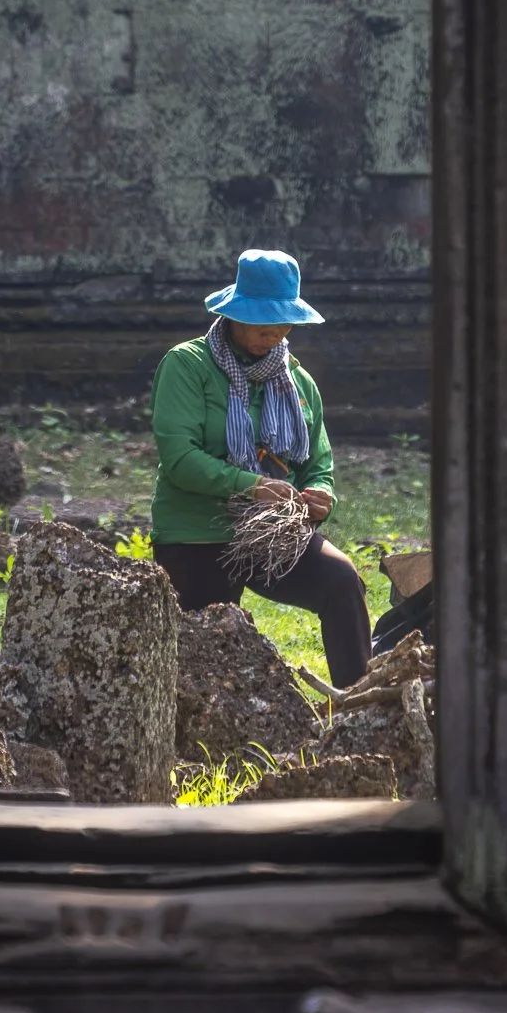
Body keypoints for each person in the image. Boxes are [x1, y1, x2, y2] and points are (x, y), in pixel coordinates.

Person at [149, 247, 372, 690]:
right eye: (261, 322)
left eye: (283, 323)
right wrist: (250, 486)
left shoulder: (297, 381)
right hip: (196, 535)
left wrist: (321, 494)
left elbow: (317, 463)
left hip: (272, 534)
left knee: (342, 580)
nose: (275, 333)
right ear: (233, 314)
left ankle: (361, 709)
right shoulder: (186, 365)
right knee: (199, 666)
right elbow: (180, 461)